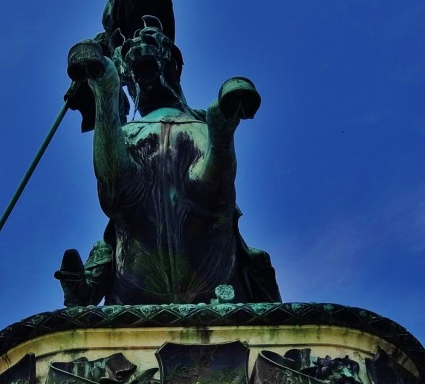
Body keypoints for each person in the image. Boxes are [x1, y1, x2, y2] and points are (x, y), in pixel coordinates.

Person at [56, 17, 279, 306]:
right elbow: (114, 196)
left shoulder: (199, 123)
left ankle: (225, 126)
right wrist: (104, 94)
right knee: (113, 219)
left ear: (174, 66)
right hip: (137, 272)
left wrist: (217, 131)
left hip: (212, 268)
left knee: (251, 251)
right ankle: (105, 88)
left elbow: (215, 196)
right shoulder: (125, 133)